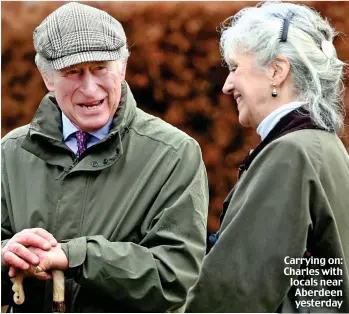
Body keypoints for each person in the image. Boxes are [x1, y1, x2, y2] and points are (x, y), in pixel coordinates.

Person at [1, 2, 209, 312]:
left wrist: (78, 258)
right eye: (72, 72)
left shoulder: (174, 154)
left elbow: (175, 276)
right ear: (47, 77)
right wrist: (8, 255)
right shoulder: (11, 152)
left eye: (100, 68)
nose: (89, 88)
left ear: (122, 66)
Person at [185, 2, 349, 312]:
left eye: (235, 68)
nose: (226, 85)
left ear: (276, 71)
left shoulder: (291, 154)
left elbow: (235, 293)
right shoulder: (322, 146)